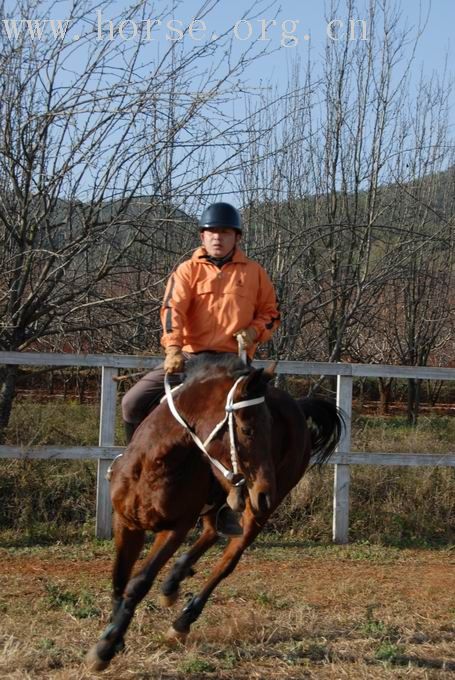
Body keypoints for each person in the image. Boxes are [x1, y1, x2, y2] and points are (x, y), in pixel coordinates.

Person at [121, 201, 280, 534]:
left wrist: (255, 330)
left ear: (236, 236)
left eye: (224, 232)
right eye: (211, 232)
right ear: (202, 236)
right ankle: (133, 469)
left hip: (231, 363)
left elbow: (272, 314)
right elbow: (171, 310)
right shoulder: (187, 271)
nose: (217, 238)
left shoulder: (254, 272)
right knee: (132, 402)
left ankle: (226, 506)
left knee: (245, 430)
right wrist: (173, 347)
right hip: (190, 359)